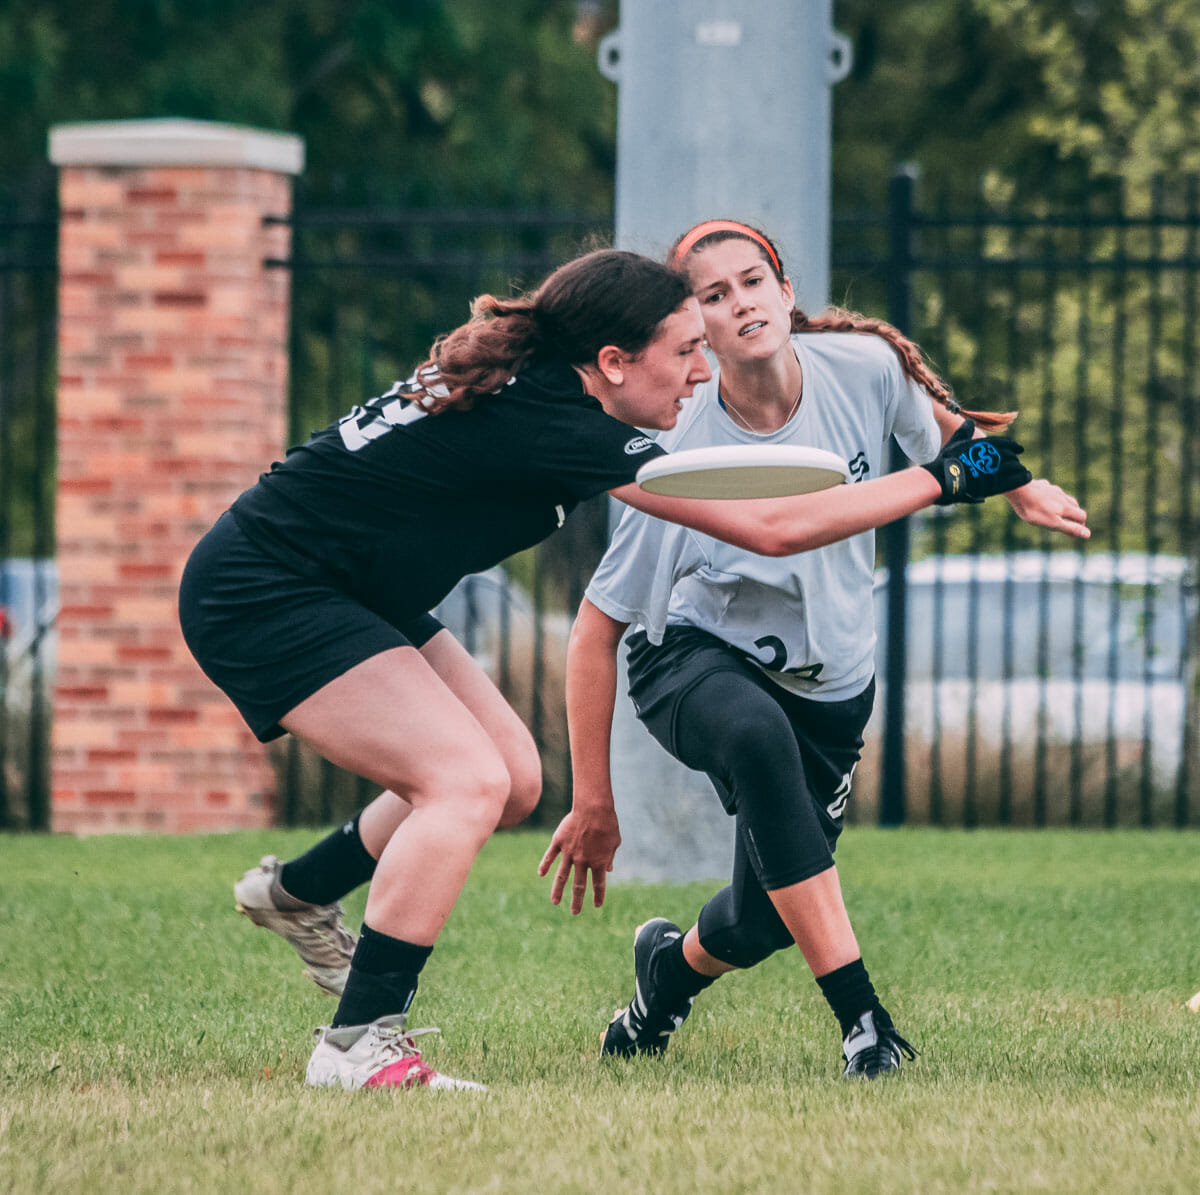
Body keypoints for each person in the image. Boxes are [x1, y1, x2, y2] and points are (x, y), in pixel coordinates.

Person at [181, 247, 1031, 1092]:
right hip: (269, 589)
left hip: (351, 583)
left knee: (512, 777)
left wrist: (1001, 473)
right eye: (685, 350)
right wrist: (948, 477)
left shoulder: (549, 382)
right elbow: (771, 527)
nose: (702, 372)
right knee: (466, 781)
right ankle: (358, 1043)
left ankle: (299, 892)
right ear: (615, 362)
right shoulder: (561, 419)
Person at [537, 221, 1089, 1080]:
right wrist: (593, 800)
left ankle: (664, 976)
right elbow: (597, 628)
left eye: (753, 281)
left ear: (786, 293)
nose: (740, 303)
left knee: (759, 922)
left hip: (832, 685)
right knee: (754, 735)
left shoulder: (865, 369)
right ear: (697, 334)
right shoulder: (680, 445)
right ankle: (865, 1023)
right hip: (692, 658)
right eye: (713, 297)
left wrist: (1020, 486)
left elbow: (952, 440)